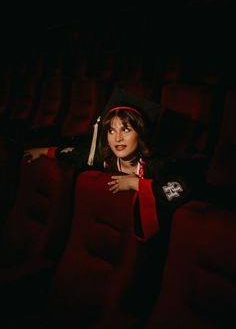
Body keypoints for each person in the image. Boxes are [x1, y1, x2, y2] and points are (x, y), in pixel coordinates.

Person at [23, 87, 209, 318]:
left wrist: (138, 185)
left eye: (126, 129)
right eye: (111, 131)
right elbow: (75, 153)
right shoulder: (105, 160)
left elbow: (184, 188)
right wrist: (44, 151)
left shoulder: (158, 166)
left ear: (140, 133)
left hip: (151, 259)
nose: (117, 138)